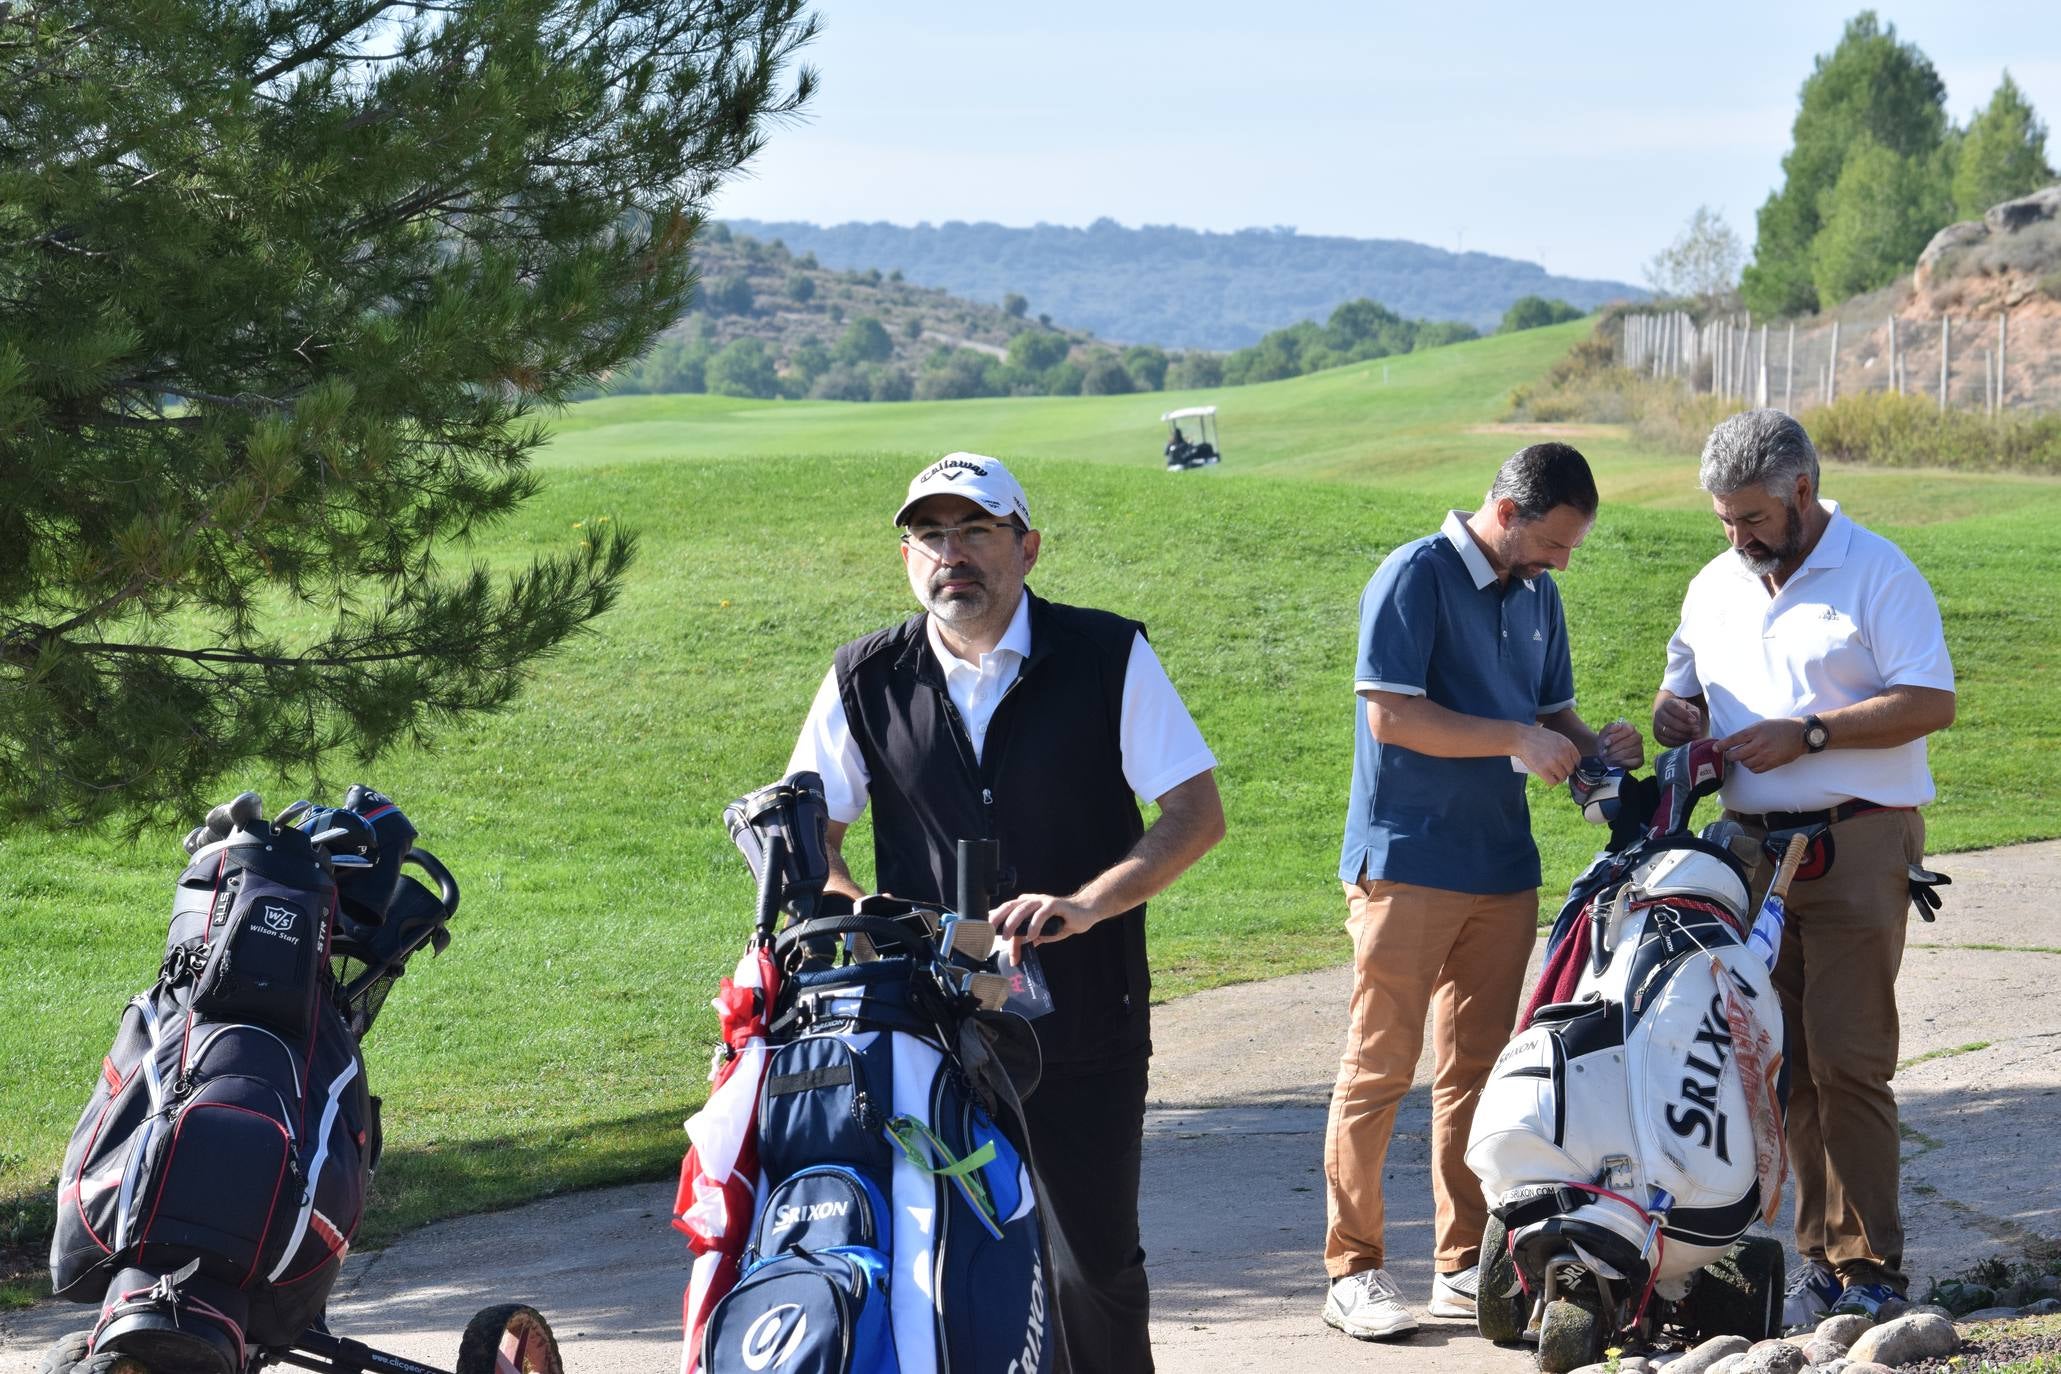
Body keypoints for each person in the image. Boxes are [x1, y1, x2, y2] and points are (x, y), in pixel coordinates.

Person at [787, 451, 1226, 1373]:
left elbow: (1193, 815)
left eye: (976, 531)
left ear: (1027, 547)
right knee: (936, 1256)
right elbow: (806, 840)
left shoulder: (1106, 654)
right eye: (930, 536)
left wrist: (1089, 903)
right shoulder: (865, 676)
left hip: (1084, 1015)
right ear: (907, 558)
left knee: (1090, 1263)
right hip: (925, 1025)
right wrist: (862, 911)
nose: (953, 554)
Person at [1324, 443, 1643, 1341]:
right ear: (1505, 512)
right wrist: (1515, 738)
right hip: (1407, 862)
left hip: (1501, 868)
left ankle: (1462, 1264)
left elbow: (1549, 718)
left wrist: (1592, 756)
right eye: (1552, 541)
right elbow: (1391, 713)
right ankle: (1352, 1269)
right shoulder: (1413, 575)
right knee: (1379, 1070)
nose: (1561, 561)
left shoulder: (1538, 593)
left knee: (1477, 1073)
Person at [1652, 409, 1954, 1323]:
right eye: (1723, 522)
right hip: (1748, 852)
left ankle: (1869, 1269)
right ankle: (1819, 1255)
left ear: (1801, 492)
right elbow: (1682, 681)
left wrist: (1813, 731)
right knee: (1779, 1062)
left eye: (1749, 519)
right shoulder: (1714, 582)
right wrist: (1675, 712)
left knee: (1849, 1059)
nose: (1736, 537)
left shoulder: (1877, 571)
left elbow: (1930, 700)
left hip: (1857, 839)